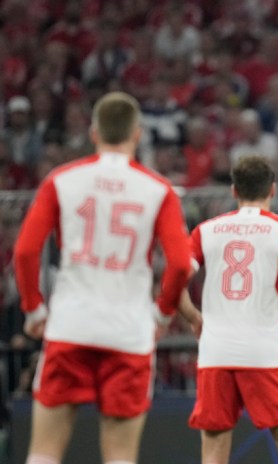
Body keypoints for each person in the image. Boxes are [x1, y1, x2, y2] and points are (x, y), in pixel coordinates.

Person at [12, 92, 191, 464]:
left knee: (43, 453)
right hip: (128, 331)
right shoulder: (158, 191)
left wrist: (33, 309)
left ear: (94, 133)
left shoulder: (61, 180)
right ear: (137, 135)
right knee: (120, 457)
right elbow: (179, 263)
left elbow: (27, 251)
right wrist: (162, 313)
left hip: (70, 326)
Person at [178, 155, 278, 464]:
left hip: (215, 352)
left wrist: (193, 317)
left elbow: (174, 283)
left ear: (234, 191)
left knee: (213, 456)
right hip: (264, 352)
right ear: (273, 190)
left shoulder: (206, 230)